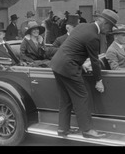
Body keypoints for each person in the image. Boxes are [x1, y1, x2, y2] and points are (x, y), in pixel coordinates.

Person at [50, 9, 119, 139]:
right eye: (110, 26)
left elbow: (72, 47)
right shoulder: (94, 36)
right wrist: (99, 81)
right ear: (104, 22)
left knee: (65, 98)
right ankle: (87, 130)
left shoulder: (82, 26)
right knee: (82, 97)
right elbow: (94, 61)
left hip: (57, 64)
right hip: (68, 67)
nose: (110, 30)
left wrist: (80, 63)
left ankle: (62, 129)